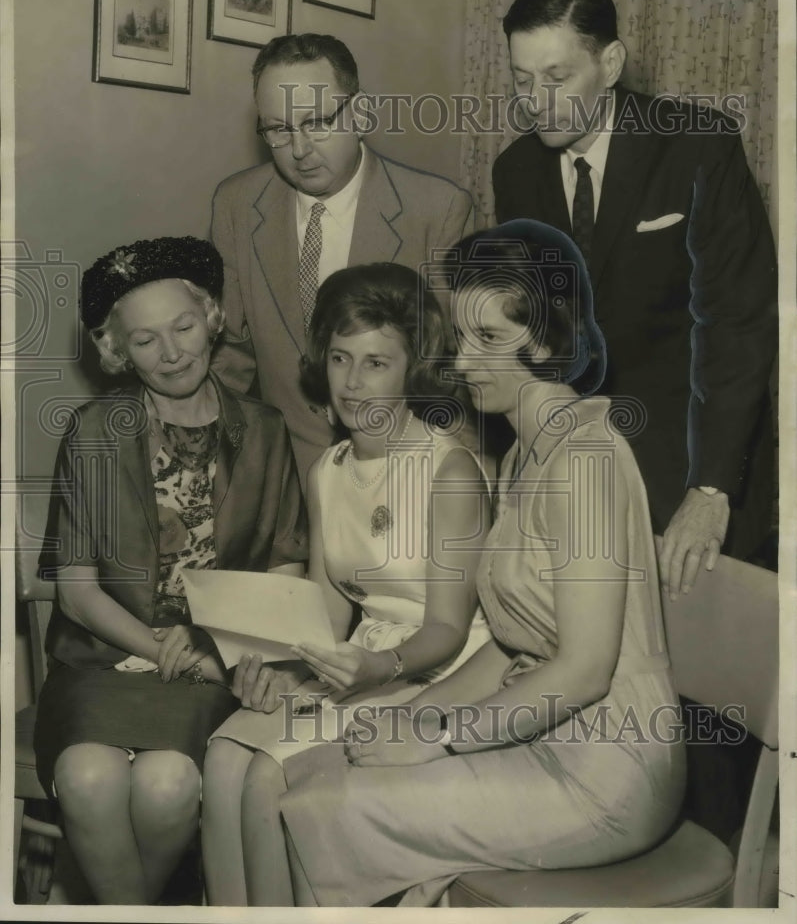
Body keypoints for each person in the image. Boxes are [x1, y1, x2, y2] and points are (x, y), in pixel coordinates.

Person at [277, 220, 686, 908]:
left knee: (325, 807)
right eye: (461, 338)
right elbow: (511, 641)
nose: (463, 361)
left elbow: (583, 672)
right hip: (533, 725)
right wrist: (418, 715)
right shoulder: (525, 454)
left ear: (549, 340)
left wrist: (434, 737)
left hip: (605, 764)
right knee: (307, 772)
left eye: (490, 339)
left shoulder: (583, 461)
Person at [201, 262, 493, 906]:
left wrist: (374, 666)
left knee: (264, 779)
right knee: (222, 760)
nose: (353, 384)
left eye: (376, 363)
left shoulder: (450, 472)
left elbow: (447, 629)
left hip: (440, 672)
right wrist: (281, 670)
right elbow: (327, 620)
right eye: (340, 358)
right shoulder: (328, 471)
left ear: (414, 369)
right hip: (360, 662)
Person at [34, 237, 307, 905]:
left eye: (184, 326)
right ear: (116, 350)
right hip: (100, 662)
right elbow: (76, 592)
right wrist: (163, 648)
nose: (173, 351)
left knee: (169, 786)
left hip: (210, 664)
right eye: (146, 340)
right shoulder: (94, 430)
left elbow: (288, 565)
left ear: (212, 317)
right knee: (90, 779)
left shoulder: (265, 430)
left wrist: (212, 642)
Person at [492, 0, 777, 597]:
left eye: (556, 77)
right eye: (521, 79)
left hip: (697, 461)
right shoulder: (514, 171)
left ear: (611, 64)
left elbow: (738, 325)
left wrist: (710, 491)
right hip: (581, 475)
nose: (536, 102)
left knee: (705, 674)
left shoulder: (698, 146)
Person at [210, 33, 474, 488]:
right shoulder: (236, 203)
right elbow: (229, 354)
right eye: (279, 129)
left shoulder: (437, 210)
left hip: (404, 472)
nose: (299, 149)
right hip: (280, 479)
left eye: (317, 123)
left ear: (362, 114)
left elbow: (456, 368)